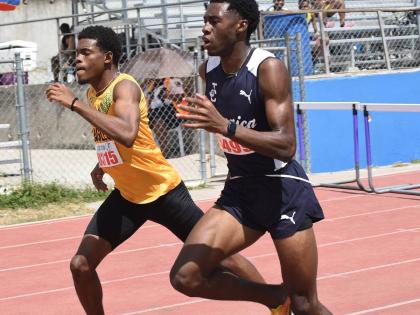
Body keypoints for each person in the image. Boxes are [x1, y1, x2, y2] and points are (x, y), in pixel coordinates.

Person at [45, 25, 266, 315]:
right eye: (77, 54)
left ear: (107, 57)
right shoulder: (92, 94)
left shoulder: (124, 87)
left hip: (163, 192)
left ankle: (276, 301)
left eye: (86, 53)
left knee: (221, 259)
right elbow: (118, 139)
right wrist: (102, 165)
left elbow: (126, 132)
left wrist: (73, 104)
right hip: (129, 197)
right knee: (80, 265)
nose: (78, 60)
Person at [170, 0, 332, 314]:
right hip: (241, 190)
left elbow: (286, 145)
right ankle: (273, 297)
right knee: (185, 276)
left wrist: (225, 127)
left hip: (283, 190)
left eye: (214, 21)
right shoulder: (209, 70)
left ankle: (289, 300)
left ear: (240, 25)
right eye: (204, 20)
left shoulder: (267, 67)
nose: (205, 27)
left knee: (305, 304)